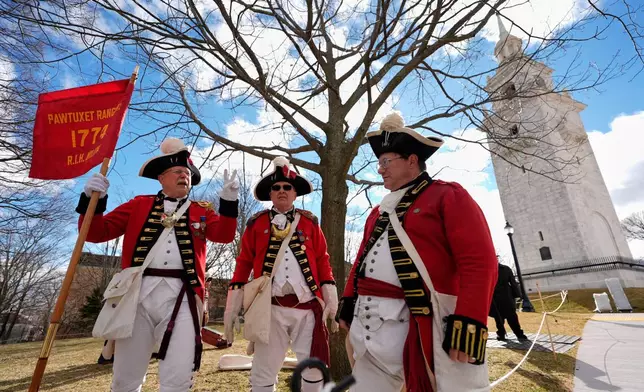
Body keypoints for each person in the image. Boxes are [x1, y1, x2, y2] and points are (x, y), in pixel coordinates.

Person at [337, 113, 498, 392]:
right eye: (379, 163)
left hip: (426, 325)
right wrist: (348, 302)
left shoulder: (448, 195)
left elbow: (479, 261)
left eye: (386, 162)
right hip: (370, 326)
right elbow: (361, 263)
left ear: (412, 160)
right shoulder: (377, 213)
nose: (380, 170)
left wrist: (469, 320)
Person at [78, 138, 239, 392]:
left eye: (187, 173)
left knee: (178, 378)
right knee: (124, 379)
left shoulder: (201, 210)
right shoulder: (138, 205)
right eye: (177, 172)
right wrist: (92, 200)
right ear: (161, 178)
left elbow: (225, 235)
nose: (183, 176)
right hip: (136, 296)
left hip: (183, 297)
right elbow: (96, 232)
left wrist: (229, 203)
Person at [223, 157, 338, 392]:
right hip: (270, 308)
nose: (282, 191)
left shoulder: (310, 223)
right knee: (263, 369)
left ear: (295, 193)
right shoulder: (255, 224)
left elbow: (322, 260)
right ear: (270, 194)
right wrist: (232, 306)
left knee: (313, 369)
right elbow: (243, 263)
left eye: (287, 187)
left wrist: (331, 298)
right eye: (276, 188)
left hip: (307, 307)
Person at [489, 262, 528, 341]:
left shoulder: (506, 269)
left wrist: (517, 295)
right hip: (495, 298)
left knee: (511, 317)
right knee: (499, 318)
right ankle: (502, 334)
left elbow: (513, 282)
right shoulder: (489, 269)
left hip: (506, 296)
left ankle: (518, 334)